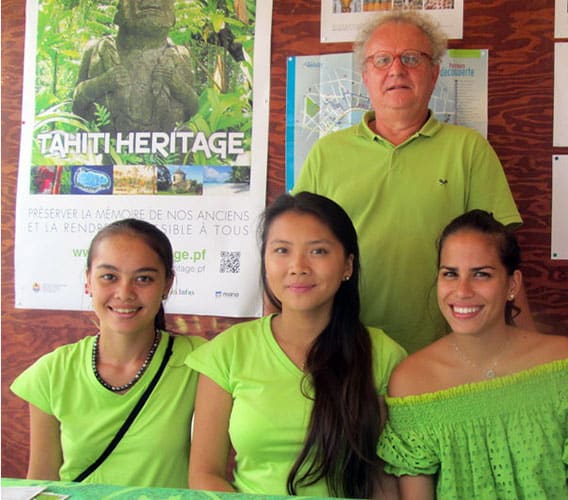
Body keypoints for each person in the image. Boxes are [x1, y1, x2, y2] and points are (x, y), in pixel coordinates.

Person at [292, 9, 534, 354]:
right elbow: (293, 250)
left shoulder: (468, 150)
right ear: (364, 75)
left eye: (411, 58)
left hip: (447, 352)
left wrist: (530, 356)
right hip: (344, 352)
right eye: (381, 60)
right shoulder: (327, 153)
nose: (396, 70)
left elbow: (502, 260)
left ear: (434, 73)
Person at [377, 210, 568, 499]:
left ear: (512, 284)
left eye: (481, 274)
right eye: (450, 274)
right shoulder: (412, 381)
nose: (462, 291)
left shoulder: (565, 364)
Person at [186, 192, 406, 497]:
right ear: (265, 262)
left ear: (347, 266)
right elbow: (204, 474)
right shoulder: (227, 351)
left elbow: (384, 476)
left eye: (318, 251)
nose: (298, 266)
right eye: (281, 250)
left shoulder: (382, 354)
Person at [11, 218, 205, 487]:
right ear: (88, 280)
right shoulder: (53, 371)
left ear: (167, 285)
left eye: (144, 278)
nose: (124, 293)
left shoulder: (199, 362)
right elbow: (42, 482)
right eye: (109, 277)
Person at [72, 0, 199, 134]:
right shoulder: (97, 51)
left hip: (164, 148)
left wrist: (177, 85)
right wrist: (102, 83)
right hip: (105, 148)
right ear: (119, 13)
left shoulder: (179, 56)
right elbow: (77, 105)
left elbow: (192, 108)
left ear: (172, 16)